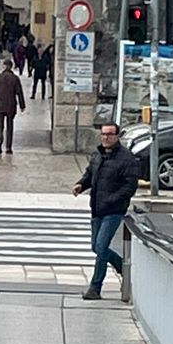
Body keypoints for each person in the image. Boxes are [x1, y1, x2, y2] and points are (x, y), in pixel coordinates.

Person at [73, 120, 141, 301]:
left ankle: (95, 288)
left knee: (101, 246)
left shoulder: (126, 159)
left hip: (114, 210)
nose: (106, 137)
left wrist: (113, 200)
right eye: (103, 134)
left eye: (110, 134)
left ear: (117, 136)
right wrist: (81, 184)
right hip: (97, 208)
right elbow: (90, 174)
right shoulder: (97, 154)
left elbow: (130, 186)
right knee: (96, 247)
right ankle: (124, 268)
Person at [0, 56, 26, 157]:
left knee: (0, 126)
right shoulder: (15, 78)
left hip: (0, 105)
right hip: (11, 105)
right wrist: (22, 105)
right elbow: (19, 92)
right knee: (10, 126)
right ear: (11, 66)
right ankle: (8, 147)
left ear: (4, 66)